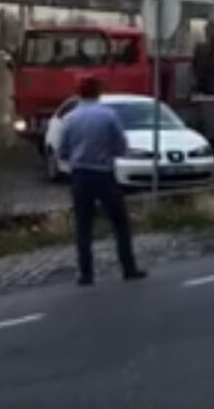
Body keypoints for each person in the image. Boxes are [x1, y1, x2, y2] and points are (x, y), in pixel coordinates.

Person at [59, 76, 147, 285]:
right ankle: (128, 267)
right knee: (120, 223)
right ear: (98, 92)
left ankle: (86, 274)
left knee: (83, 226)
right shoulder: (108, 116)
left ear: (79, 93)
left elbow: (63, 151)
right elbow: (120, 146)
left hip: (80, 175)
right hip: (104, 174)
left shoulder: (71, 118)